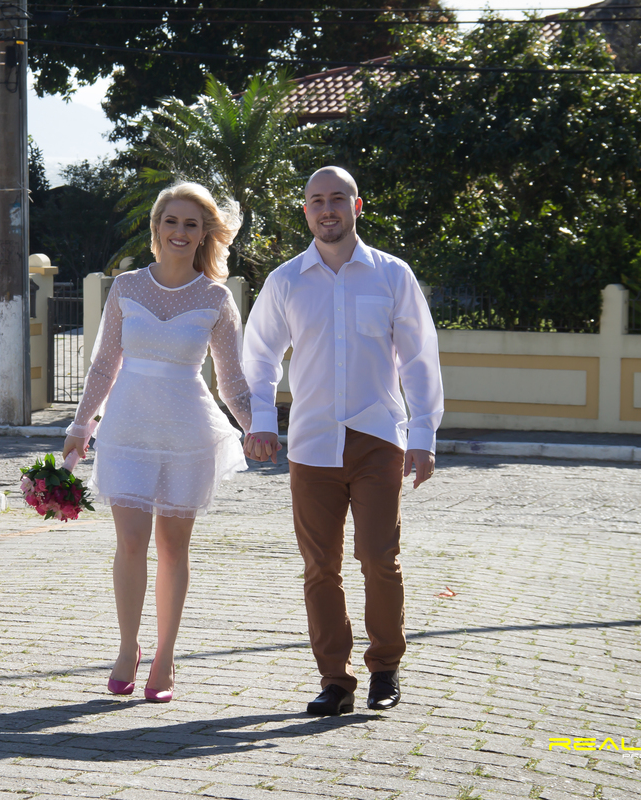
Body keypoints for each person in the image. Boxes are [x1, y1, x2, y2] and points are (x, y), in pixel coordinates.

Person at [242, 166, 443, 716]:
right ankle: (335, 680)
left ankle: (385, 669)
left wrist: (423, 433)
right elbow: (258, 354)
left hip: (378, 437)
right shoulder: (286, 280)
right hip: (311, 443)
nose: (326, 208)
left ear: (357, 206)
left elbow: (419, 358)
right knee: (319, 566)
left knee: (379, 557)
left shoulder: (392, 275)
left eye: (337, 198)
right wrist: (263, 420)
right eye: (316, 200)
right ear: (306, 211)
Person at [62, 182, 251, 703]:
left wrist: (257, 426)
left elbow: (232, 381)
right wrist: (81, 425)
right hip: (126, 430)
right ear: (156, 228)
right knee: (130, 543)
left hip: (187, 434)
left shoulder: (217, 298)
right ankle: (128, 647)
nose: (180, 232)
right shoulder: (126, 288)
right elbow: (104, 364)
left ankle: (165, 656)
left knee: (172, 548)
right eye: (172, 221)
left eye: (192, 224)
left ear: (205, 234)